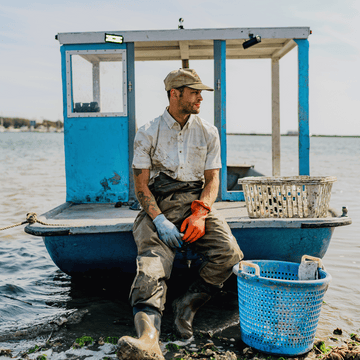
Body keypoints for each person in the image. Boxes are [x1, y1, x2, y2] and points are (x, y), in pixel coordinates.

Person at [117, 69, 243, 360]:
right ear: (175, 94)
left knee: (229, 253)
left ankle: (187, 305)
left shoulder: (209, 132)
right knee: (150, 269)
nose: (201, 97)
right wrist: (159, 221)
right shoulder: (147, 131)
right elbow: (141, 186)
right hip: (157, 204)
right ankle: (148, 339)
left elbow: (212, 181)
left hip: (195, 203)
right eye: (194, 91)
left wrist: (200, 213)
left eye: (201, 92)